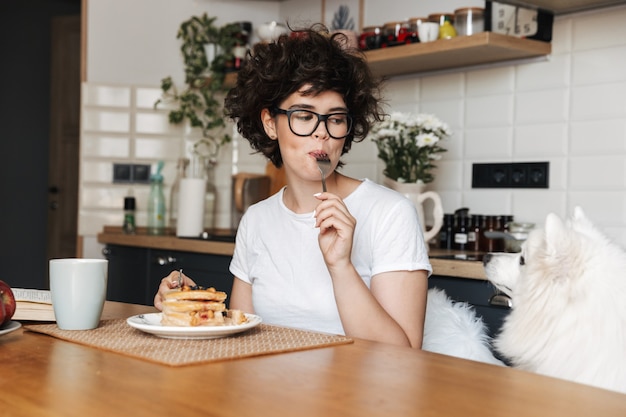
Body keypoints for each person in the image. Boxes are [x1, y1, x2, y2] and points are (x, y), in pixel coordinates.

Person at [155, 26, 431, 348]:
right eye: (304, 115)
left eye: (336, 118)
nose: (322, 133)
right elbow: (245, 340)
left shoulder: (390, 214)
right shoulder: (257, 220)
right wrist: (194, 303)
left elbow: (404, 355)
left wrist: (340, 266)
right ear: (271, 123)